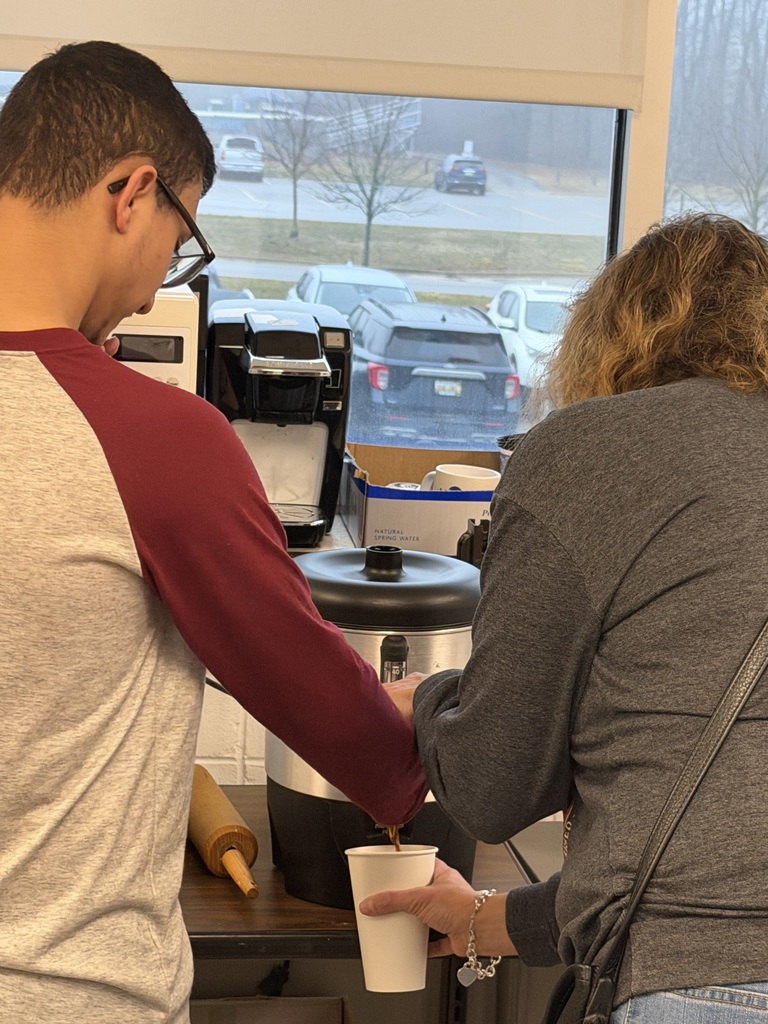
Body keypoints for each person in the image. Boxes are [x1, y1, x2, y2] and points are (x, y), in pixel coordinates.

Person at [0, 41, 427, 1023]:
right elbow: (375, 762)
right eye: (179, 239)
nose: (157, 291)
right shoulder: (152, 438)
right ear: (132, 194)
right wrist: (418, 720)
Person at [364, 213, 768, 1022]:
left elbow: (491, 785)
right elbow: (692, 844)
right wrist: (485, 920)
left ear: (613, 334)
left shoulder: (592, 454)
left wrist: (431, 705)